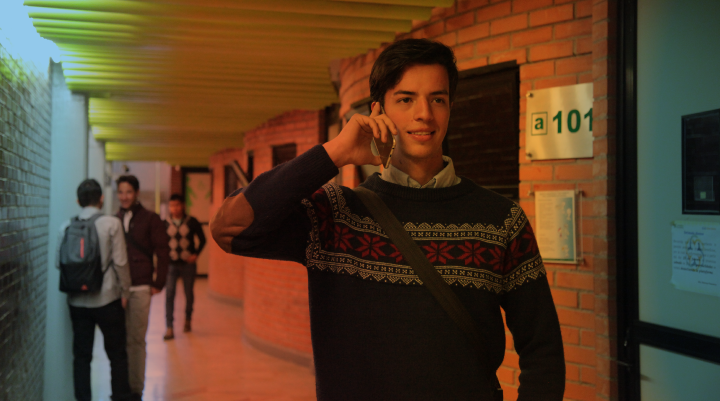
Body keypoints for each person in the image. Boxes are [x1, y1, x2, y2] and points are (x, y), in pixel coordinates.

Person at [211, 38, 565, 400]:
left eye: (437, 99)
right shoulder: (335, 216)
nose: (424, 114)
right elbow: (230, 227)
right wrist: (334, 154)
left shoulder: (501, 220)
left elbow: (543, 351)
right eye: (406, 99)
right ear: (378, 110)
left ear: (450, 108)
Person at [57, 179, 133, 401]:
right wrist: (125, 292)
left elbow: (58, 264)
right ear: (101, 199)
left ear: (78, 201)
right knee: (117, 355)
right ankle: (120, 396)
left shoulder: (65, 226)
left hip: (77, 302)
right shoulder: (112, 223)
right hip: (107, 299)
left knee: (81, 357)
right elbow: (121, 263)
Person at [115, 175, 170, 400]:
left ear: (136, 193)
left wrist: (159, 282)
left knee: (136, 340)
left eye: (128, 192)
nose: (124, 196)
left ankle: (136, 389)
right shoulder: (114, 219)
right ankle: (122, 387)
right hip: (118, 290)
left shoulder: (150, 219)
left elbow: (163, 251)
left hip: (140, 287)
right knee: (120, 340)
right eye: (120, 192)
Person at [163, 194, 207, 340]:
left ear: (182, 205)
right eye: (171, 205)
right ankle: (169, 327)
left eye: (177, 205)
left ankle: (188, 319)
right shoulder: (165, 223)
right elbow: (160, 243)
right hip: (171, 264)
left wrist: (196, 254)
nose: (174, 208)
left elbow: (203, 239)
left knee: (188, 293)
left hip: (188, 264)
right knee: (169, 294)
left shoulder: (192, 221)